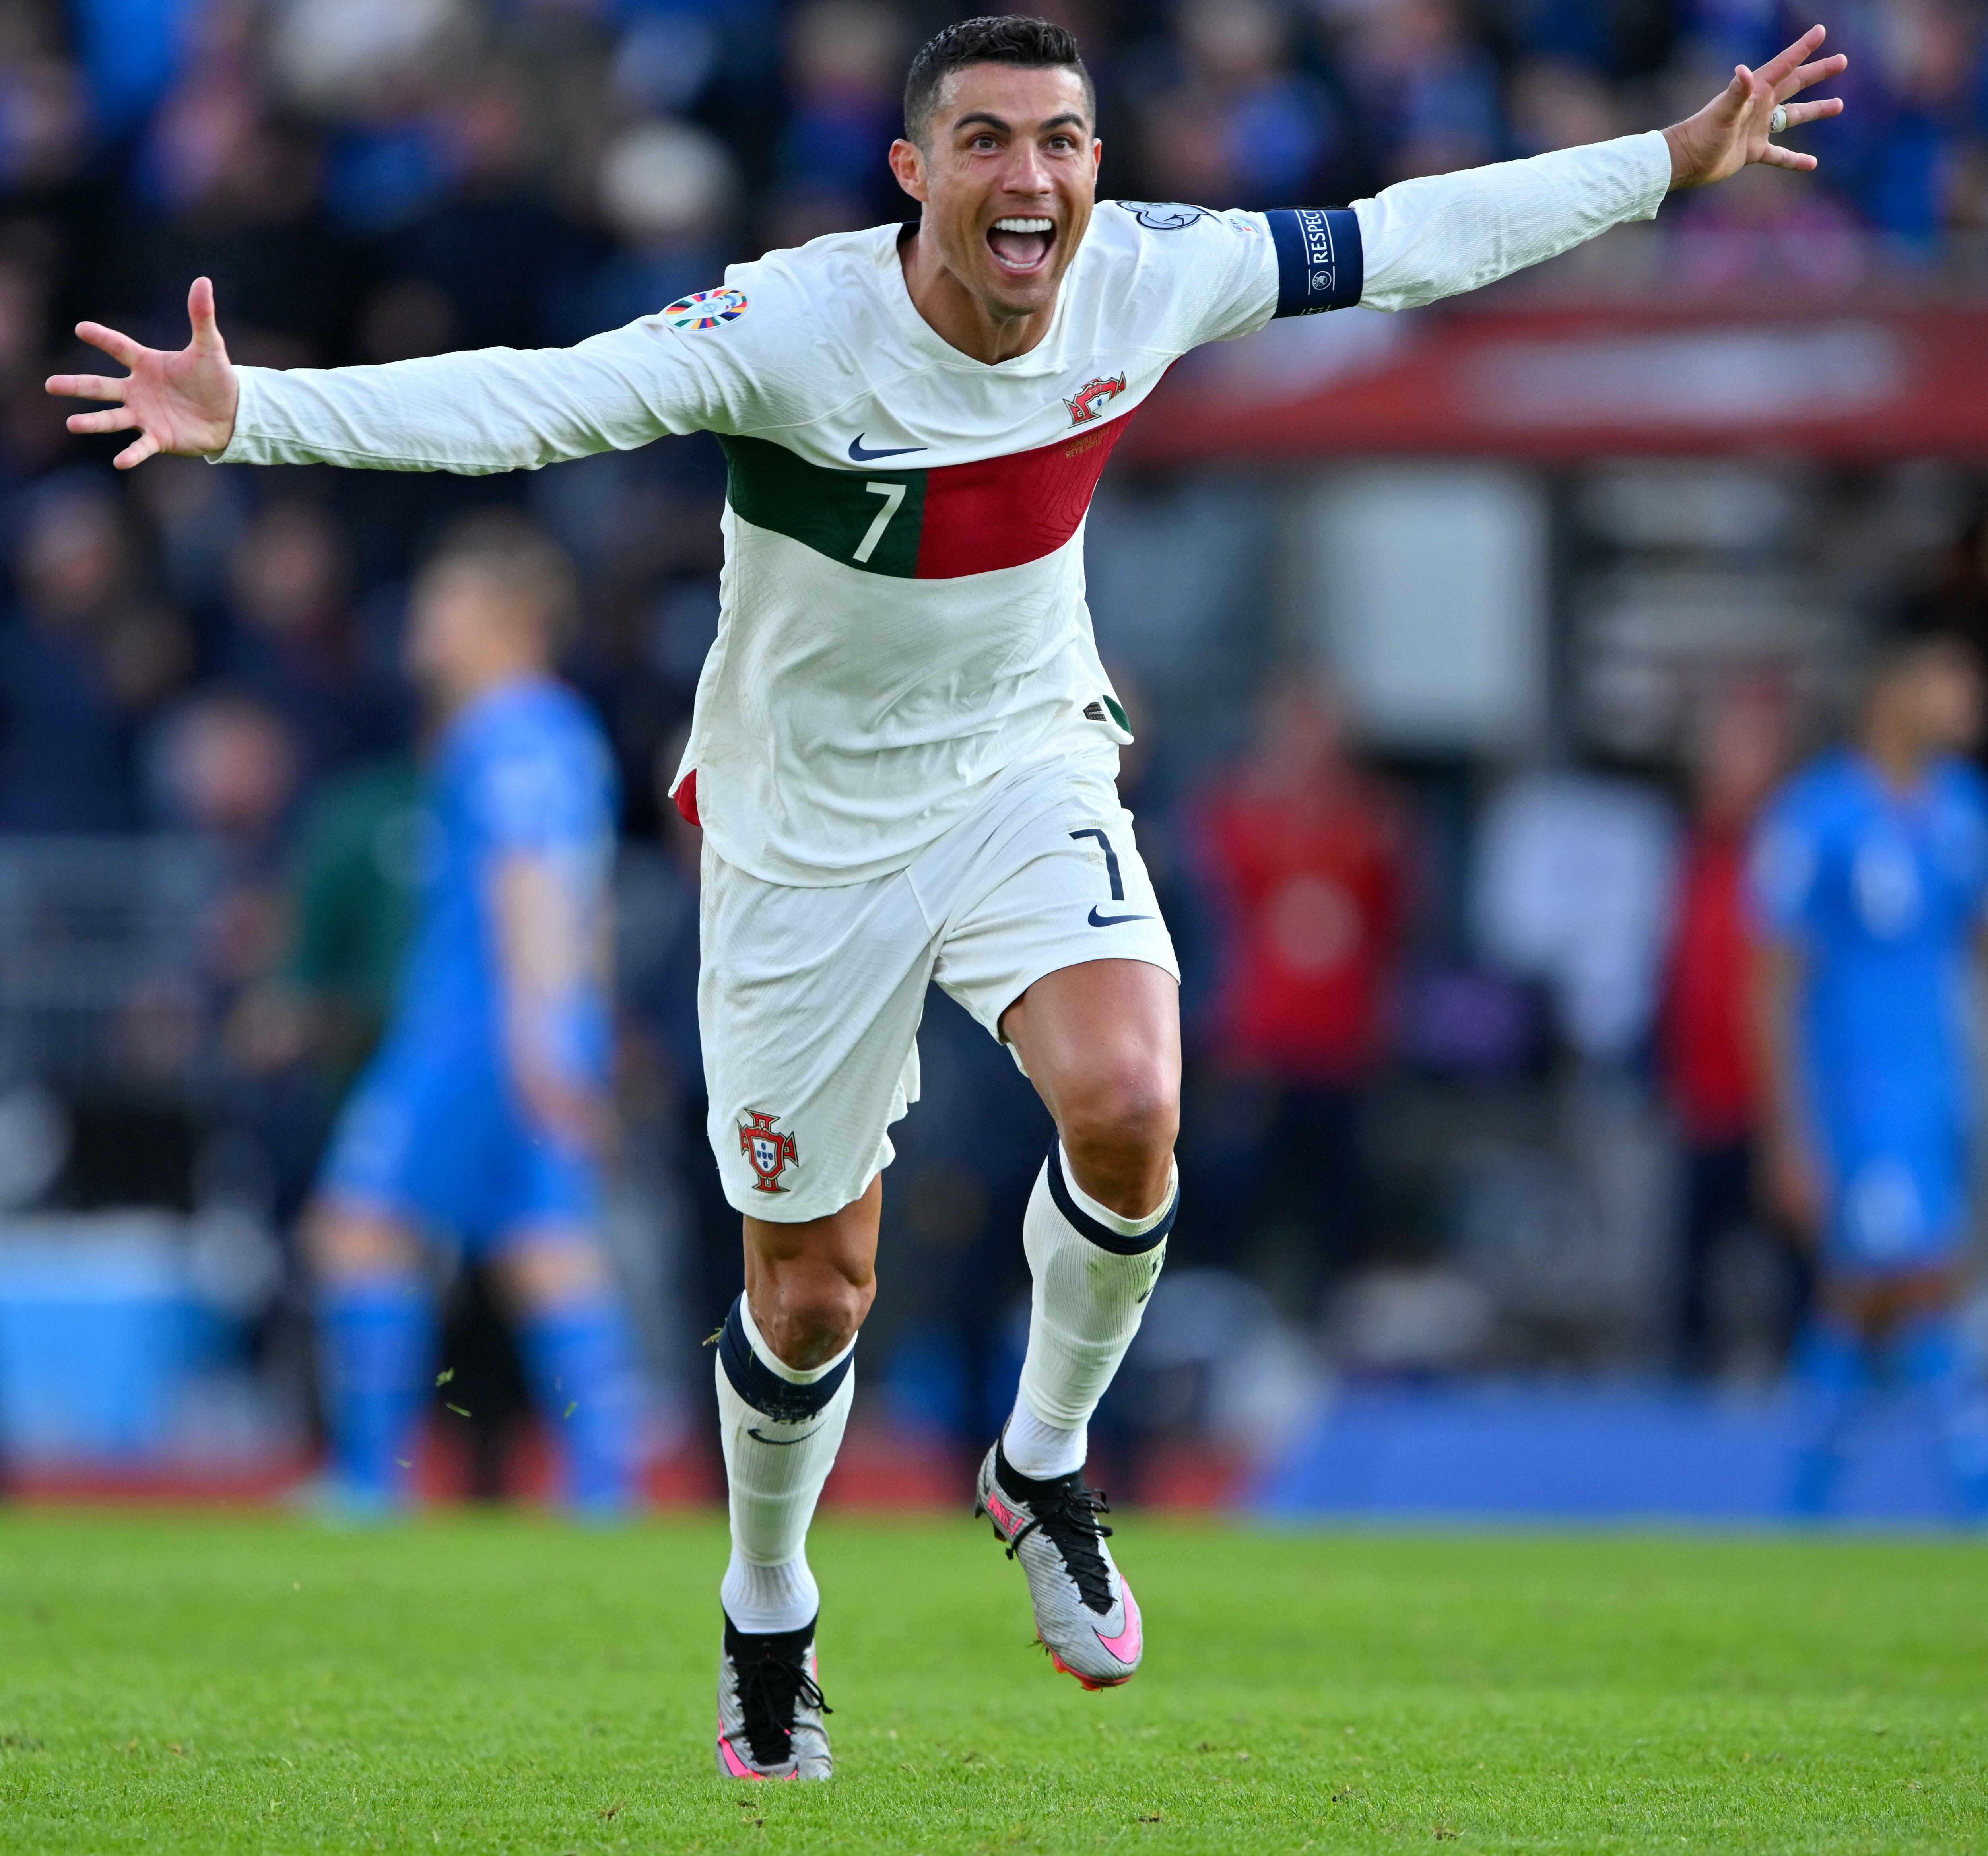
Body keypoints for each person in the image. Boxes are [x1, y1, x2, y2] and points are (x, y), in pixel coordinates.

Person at [49, 11, 1849, 1779]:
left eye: (1061, 141)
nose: (1033, 176)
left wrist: (1667, 161)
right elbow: (540, 396)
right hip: (797, 843)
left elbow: (1408, 237)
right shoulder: (790, 324)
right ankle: (768, 1605)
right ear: (914, 173)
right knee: (817, 1292)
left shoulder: (1153, 273)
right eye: (987, 140)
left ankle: (1045, 1461)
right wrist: (254, 415)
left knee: (1133, 1098)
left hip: (1020, 766)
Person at [287, 516, 645, 1520]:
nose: (422, 622)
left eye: (443, 603)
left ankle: (367, 1484)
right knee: (543, 1243)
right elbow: (593, 902)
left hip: (478, 1032)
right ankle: (606, 1487)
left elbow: (530, 886)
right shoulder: (566, 732)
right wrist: (585, 1024)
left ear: (507, 618)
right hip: (535, 1025)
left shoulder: (504, 733)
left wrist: (536, 1034)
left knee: (355, 1230)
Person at [1751, 632, 1988, 1518]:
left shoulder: (1964, 810)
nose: (1968, 699)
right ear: (1895, 688)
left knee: (1870, 1295)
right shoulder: (1817, 817)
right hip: (1857, 1094)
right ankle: (1972, 1502)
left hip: (1940, 1093)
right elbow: (1770, 983)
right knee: (1909, 1280)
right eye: (1950, 678)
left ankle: (1802, 1509)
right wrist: (1788, 1131)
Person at [1189, 677, 1408, 1305]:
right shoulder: (1233, 814)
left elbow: (1394, 929)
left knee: (1338, 1207)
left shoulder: (1372, 820)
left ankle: (1332, 1336)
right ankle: (1222, 1326)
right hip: (1254, 1048)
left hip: (1342, 1049)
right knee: (1235, 1199)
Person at [1661, 689, 1808, 1379]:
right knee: (1692, 1273)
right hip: (1704, 1098)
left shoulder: (1795, 857)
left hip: (1778, 1105)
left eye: (1751, 759)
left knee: (1794, 1277)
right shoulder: (1691, 854)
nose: (1735, 774)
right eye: (1725, 759)